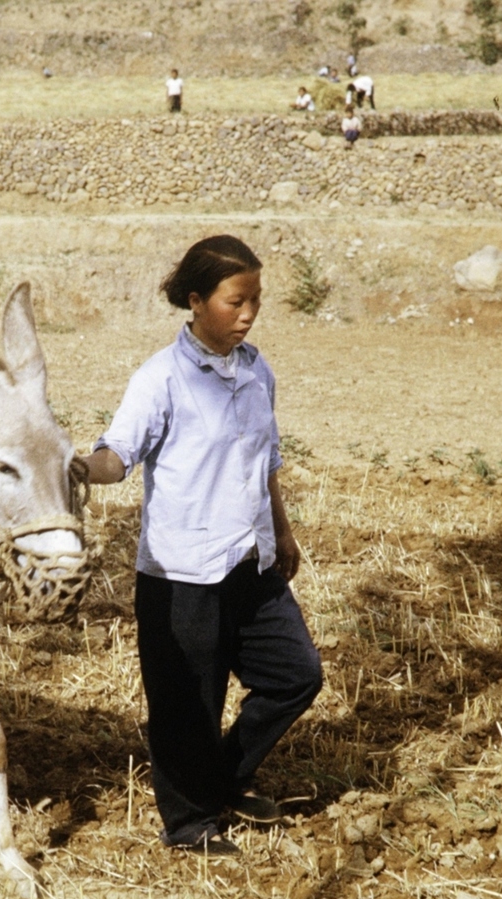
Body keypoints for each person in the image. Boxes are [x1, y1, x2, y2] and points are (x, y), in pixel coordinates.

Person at [74, 237, 320, 854]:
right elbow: (117, 456)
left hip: (250, 560)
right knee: (188, 705)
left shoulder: (258, 371)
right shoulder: (161, 378)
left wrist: (282, 531)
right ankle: (190, 825)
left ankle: (224, 780)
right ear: (196, 300)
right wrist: (78, 467)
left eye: (255, 301)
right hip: (182, 573)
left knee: (296, 676)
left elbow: (266, 463)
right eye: (236, 301)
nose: (248, 313)